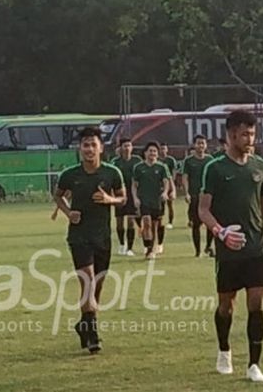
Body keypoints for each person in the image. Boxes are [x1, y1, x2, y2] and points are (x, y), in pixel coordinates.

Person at [199, 110, 263, 383]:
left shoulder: (261, 167)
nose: (249, 139)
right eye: (244, 134)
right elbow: (203, 210)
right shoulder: (215, 168)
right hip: (228, 250)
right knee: (226, 306)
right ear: (230, 135)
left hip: (256, 248)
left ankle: (254, 365)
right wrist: (221, 233)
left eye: (253, 133)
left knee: (257, 303)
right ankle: (224, 350)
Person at [54, 126, 126, 354]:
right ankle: (93, 334)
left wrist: (108, 199)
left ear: (101, 148)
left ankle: (83, 323)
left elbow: (123, 199)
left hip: (103, 237)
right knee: (87, 282)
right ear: (80, 148)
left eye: (93, 144)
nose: (89, 149)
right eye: (85, 145)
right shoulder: (70, 175)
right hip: (79, 237)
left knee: (97, 286)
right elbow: (58, 195)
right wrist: (68, 212)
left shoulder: (112, 172)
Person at [132, 142, 170, 260]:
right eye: (150, 151)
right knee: (146, 222)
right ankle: (148, 249)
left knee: (154, 225)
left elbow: (166, 182)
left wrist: (165, 193)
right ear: (145, 153)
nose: (152, 153)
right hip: (144, 200)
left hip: (157, 200)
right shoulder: (139, 168)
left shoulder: (161, 167)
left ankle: (151, 248)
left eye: (154, 151)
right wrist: (135, 198)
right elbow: (134, 185)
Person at [182, 135, 214, 257]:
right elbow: (185, 177)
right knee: (196, 224)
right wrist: (186, 193)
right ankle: (197, 251)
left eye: (203, 143)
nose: (201, 146)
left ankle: (208, 246)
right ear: (194, 145)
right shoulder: (189, 161)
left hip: (208, 196)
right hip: (195, 196)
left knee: (210, 223)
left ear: (206, 145)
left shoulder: (210, 159)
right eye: (199, 143)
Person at [110, 139, 143, 256]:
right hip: (119, 194)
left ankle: (130, 247)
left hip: (132, 194)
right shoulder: (115, 162)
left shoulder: (137, 161)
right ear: (121, 148)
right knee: (119, 221)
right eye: (125, 146)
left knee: (130, 221)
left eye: (129, 145)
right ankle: (121, 244)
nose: (127, 148)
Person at [159, 143, 178, 229]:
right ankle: (160, 221)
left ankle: (170, 222)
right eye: (161, 149)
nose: (163, 151)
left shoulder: (171, 160)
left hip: (169, 184)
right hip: (159, 185)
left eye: (164, 149)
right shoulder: (157, 160)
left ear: (167, 150)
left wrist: (172, 185)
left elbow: (174, 173)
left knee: (170, 204)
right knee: (160, 204)